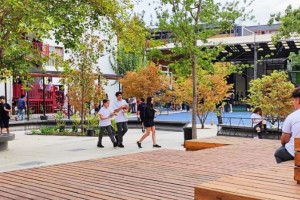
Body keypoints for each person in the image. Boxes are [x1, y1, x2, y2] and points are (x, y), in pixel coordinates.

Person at [274, 87, 300, 163]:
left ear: (298, 100)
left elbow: (284, 140)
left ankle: (286, 170)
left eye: (293, 100)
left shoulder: (292, 116)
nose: (292, 103)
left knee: (278, 153)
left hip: (296, 152)